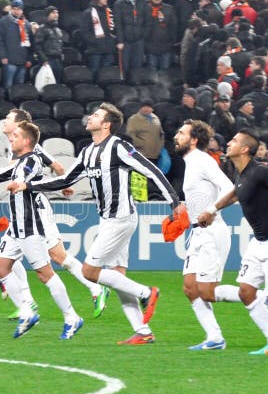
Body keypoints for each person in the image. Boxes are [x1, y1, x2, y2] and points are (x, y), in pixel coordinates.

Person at [10, 103, 184, 345]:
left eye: (96, 115)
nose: (90, 117)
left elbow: (150, 170)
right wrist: (29, 186)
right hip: (108, 220)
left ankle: (146, 292)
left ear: (106, 124)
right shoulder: (87, 152)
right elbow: (65, 180)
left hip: (121, 219)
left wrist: (174, 201)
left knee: (89, 272)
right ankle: (143, 332)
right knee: (118, 277)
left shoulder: (119, 147)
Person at [0, 121, 85, 339]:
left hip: (29, 228)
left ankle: (72, 317)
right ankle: (26, 311)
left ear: (27, 140)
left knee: (45, 274)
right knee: (1, 269)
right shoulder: (19, 161)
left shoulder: (31, 160)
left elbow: (25, 175)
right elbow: (1, 173)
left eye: (16, 136)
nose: (11, 138)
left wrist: (19, 183)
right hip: (16, 227)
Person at [199, 128, 268, 354]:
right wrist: (211, 210)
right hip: (257, 243)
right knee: (246, 292)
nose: (228, 142)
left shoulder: (260, 170)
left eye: (234, 140)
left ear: (245, 149)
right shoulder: (241, 173)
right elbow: (235, 193)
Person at [0, 109, 108, 319]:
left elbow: (57, 166)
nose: (4, 122)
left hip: (35, 209)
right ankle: (27, 303)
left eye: (8, 119)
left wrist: (64, 185)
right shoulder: (14, 146)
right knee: (9, 257)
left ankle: (95, 289)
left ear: (20, 125)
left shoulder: (29, 147)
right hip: (22, 209)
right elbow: (55, 168)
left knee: (57, 256)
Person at [173, 120, 236, 350]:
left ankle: (261, 299)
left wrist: (211, 210)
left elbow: (231, 189)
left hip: (212, 232)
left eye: (181, 133)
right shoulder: (190, 163)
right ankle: (215, 338)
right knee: (190, 287)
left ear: (194, 140)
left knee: (207, 292)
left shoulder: (203, 161)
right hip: (197, 233)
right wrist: (185, 208)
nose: (176, 136)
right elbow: (202, 195)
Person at [114, 0, 149, 77]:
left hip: (139, 39)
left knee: (137, 64)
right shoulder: (119, 4)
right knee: (125, 64)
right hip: (125, 39)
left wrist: (143, 34)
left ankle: (135, 82)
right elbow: (118, 23)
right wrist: (120, 41)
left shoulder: (142, 2)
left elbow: (147, 21)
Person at [0, 0, 32, 89]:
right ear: (11, 9)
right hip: (9, 60)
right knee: (8, 86)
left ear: (22, 10)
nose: (16, 11)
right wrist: (3, 56)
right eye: (14, 9)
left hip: (22, 60)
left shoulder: (26, 24)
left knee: (19, 87)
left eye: (18, 9)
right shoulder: (3, 21)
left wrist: (29, 59)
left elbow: (31, 43)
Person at [80, 0, 116, 74]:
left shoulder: (109, 12)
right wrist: (95, 41)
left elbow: (113, 28)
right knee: (94, 71)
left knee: (107, 73)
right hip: (95, 49)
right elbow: (84, 31)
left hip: (108, 48)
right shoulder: (88, 13)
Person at [144, 0, 177, 71]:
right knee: (151, 72)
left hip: (166, 46)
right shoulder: (145, 9)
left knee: (165, 71)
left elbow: (174, 26)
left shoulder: (169, 9)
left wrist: (171, 42)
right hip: (150, 46)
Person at [34, 6, 64, 83]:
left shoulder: (58, 30)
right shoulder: (42, 29)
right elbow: (37, 45)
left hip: (58, 60)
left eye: (57, 12)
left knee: (56, 83)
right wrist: (44, 59)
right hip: (48, 60)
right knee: (47, 84)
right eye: (53, 12)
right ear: (48, 15)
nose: (56, 14)